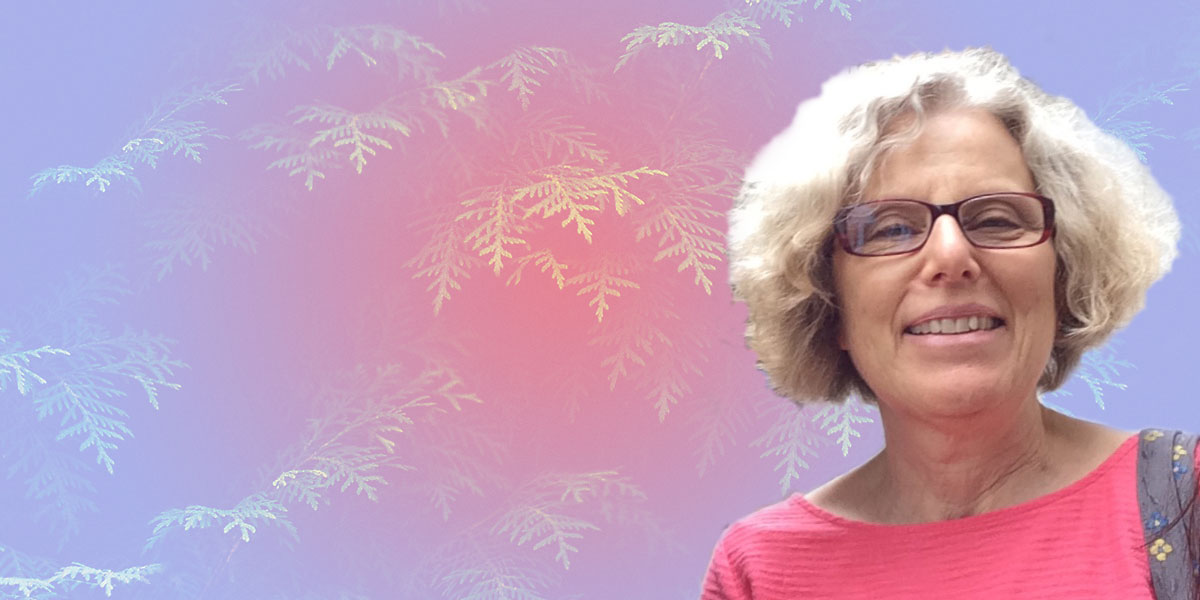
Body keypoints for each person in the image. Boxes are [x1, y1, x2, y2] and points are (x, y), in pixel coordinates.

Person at [702, 48, 1198, 599]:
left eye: (996, 218)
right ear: (827, 302)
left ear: (1064, 277)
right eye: (890, 229)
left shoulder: (1185, 505)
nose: (950, 255)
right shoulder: (763, 569)